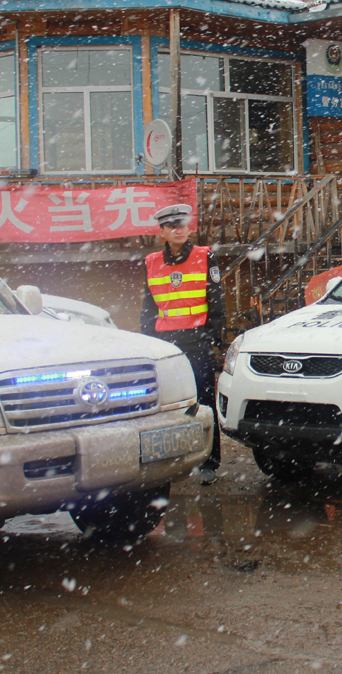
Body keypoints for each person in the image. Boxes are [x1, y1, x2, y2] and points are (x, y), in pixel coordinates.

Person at [141, 204, 225, 486]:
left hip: (195, 340)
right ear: (162, 231)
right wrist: (147, 340)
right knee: (167, 404)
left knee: (203, 401)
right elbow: (148, 306)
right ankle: (173, 460)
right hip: (165, 343)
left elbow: (216, 297)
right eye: (172, 225)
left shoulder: (204, 255)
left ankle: (209, 462)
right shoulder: (151, 261)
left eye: (183, 224)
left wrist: (212, 335)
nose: (179, 229)